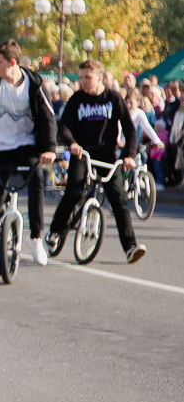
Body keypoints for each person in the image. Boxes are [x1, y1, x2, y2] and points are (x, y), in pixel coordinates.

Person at [47, 60, 146, 263]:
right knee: (74, 191)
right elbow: (63, 126)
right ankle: (54, 231)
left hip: (107, 156)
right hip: (82, 154)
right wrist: (72, 143)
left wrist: (128, 154)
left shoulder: (113, 98)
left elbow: (129, 129)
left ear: (100, 77)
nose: (83, 81)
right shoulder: (77, 99)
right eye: (81, 77)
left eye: (87, 77)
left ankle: (130, 247)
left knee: (118, 199)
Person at [0, 39, 56, 267]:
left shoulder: (34, 83)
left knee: (36, 180)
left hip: (25, 144)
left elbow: (48, 118)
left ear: (12, 63)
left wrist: (49, 149)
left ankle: (36, 237)